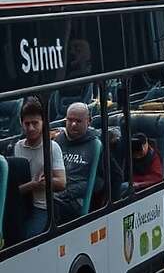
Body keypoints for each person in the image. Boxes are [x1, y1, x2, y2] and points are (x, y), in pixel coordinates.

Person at [14, 97, 66, 238]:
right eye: (27, 124)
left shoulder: (52, 148)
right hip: (21, 206)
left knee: (27, 237)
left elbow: (61, 183)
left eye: (35, 123)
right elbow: (15, 190)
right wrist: (33, 184)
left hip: (42, 208)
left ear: (43, 123)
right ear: (21, 124)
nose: (31, 128)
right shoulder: (18, 146)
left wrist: (46, 181)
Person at [52, 102, 107, 221]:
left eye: (78, 121)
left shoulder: (96, 145)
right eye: (70, 120)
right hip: (53, 193)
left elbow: (99, 181)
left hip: (75, 202)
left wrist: (68, 193)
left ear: (89, 121)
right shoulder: (58, 140)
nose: (73, 124)